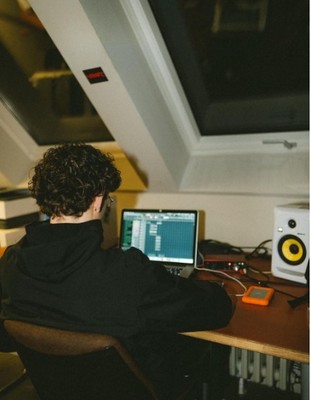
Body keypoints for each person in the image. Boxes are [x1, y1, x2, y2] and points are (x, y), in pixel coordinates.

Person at [0, 143, 233, 399]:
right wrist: (220, 289)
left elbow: (7, 337)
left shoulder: (11, 261)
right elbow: (216, 309)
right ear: (98, 200)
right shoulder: (126, 273)